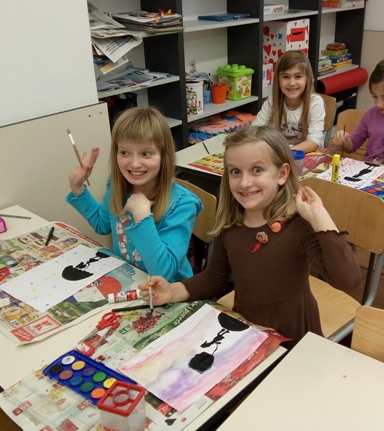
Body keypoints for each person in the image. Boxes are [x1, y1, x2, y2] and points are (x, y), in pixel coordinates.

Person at [138, 126, 360, 347]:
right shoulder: (230, 226)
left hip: (294, 338)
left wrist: (319, 216)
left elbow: (347, 279)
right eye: (235, 171)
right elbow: (213, 279)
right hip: (248, 331)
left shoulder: (298, 225)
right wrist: (172, 291)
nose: (244, 183)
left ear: (282, 174)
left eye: (257, 170)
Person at [66, 106, 202, 281]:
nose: (135, 163)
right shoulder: (117, 186)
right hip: (130, 280)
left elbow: (163, 273)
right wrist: (78, 187)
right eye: (125, 153)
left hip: (170, 290)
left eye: (145, 153)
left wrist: (142, 216)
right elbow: (102, 224)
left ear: (164, 155)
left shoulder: (182, 204)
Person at [253, 50, 325, 152]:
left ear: (307, 79)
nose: (292, 83)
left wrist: (285, 152)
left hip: (308, 155)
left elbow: (314, 142)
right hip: (282, 154)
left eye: (298, 76)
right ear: (278, 80)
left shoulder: (315, 102)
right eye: (286, 77)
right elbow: (255, 129)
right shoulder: (273, 100)